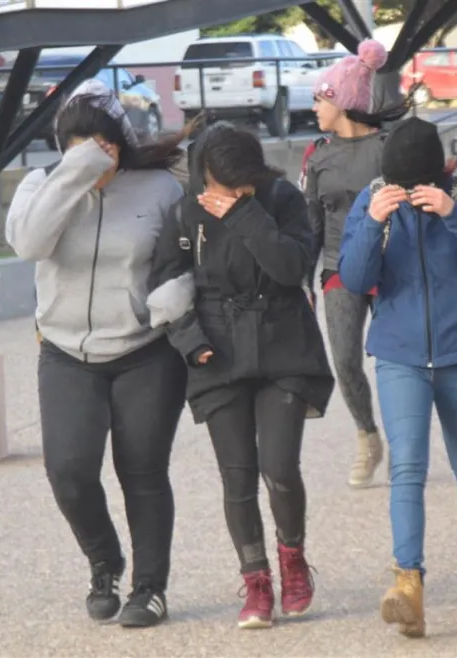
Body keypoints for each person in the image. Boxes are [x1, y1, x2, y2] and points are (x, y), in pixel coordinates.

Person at [5, 79, 197, 628]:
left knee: (142, 470)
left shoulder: (160, 187)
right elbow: (29, 246)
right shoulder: (40, 186)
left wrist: (171, 303)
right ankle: (104, 561)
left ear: (122, 140)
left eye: (104, 142)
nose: (95, 152)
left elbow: (183, 263)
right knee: (68, 470)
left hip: (145, 351)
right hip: (66, 352)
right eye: (79, 142)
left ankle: (150, 588)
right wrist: (74, 174)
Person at [339, 117, 457, 638]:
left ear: (441, 170)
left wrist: (456, 215)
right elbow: (353, 279)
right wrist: (372, 223)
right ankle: (408, 585)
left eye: (423, 183)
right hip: (400, 353)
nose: (414, 191)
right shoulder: (374, 197)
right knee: (407, 466)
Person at [153, 122, 335, 630]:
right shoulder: (185, 211)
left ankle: (293, 558)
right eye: (219, 185)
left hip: (284, 347)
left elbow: (290, 266)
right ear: (201, 174)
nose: (229, 193)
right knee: (236, 476)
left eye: (240, 184)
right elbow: (164, 286)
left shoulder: (279, 199)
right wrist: (192, 342)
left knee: (279, 467)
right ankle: (256, 581)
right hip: (217, 353)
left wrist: (246, 213)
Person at [301, 39, 410, 489]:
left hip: (391, 266)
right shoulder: (317, 154)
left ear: (341, 101)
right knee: (344, 358)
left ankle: (405, 443)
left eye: (319, 98)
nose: (313, 107)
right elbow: (308, 222)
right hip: (337, 268)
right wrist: (301, 283)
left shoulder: (390, 148)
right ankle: (367, 435)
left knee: (397, 359)